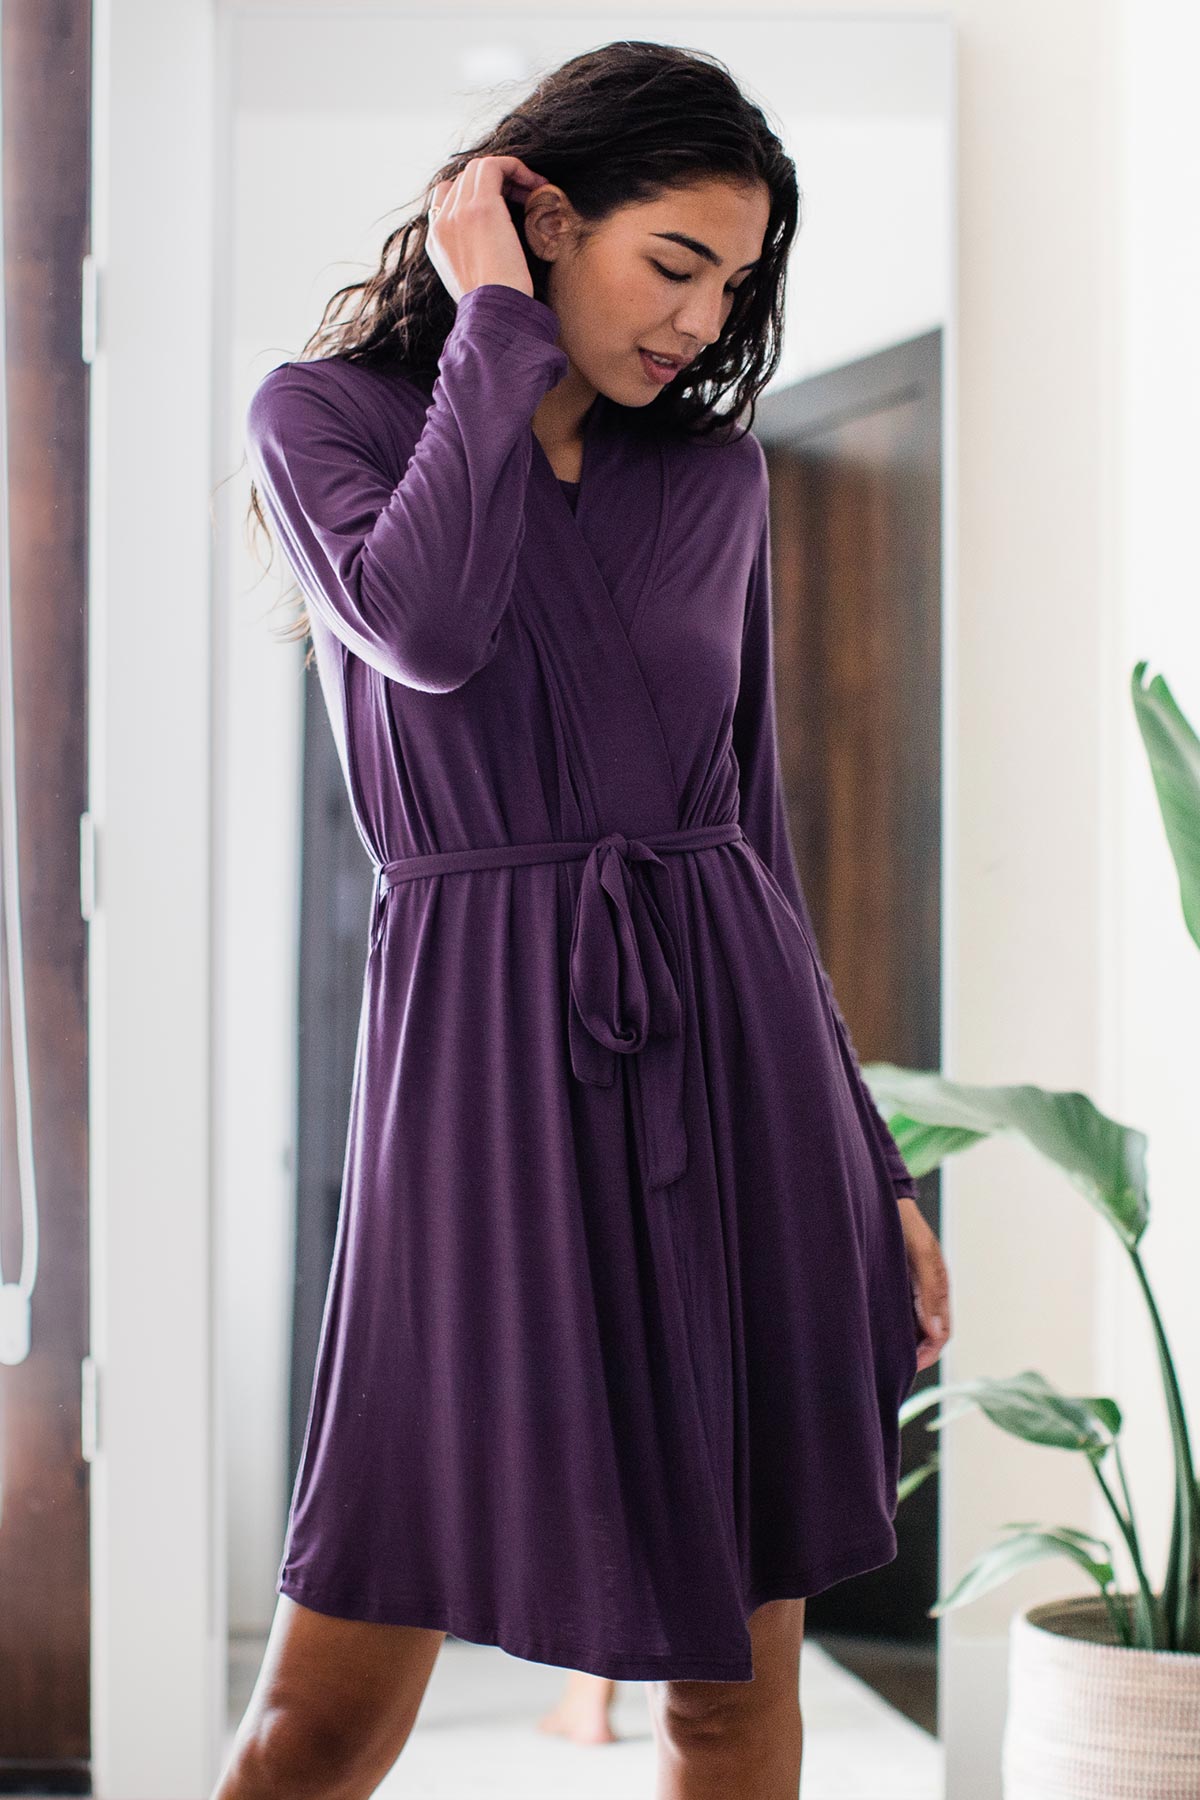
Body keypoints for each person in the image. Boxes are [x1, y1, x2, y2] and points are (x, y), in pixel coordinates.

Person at [220, 39, 952, 1800]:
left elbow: (758, 837)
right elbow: (433, 626)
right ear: (534, 213)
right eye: (675, 264)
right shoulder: (321, 419)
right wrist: (495, 330)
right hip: (472, 1067)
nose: (706, 319)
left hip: (732, 1052)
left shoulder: (712, 478)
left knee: (731, 1690)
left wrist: (876, 1171)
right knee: (329, 1697)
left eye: (739, 282)